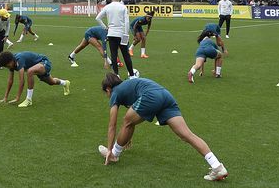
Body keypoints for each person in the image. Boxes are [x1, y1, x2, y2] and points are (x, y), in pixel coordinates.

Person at [98, 73, 228, 181]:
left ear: (108, 89)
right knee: (187, 135)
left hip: (151, 96)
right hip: (165, 95)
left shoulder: (115, 92)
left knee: (126, 121)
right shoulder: (128, 85)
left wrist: (109, 149)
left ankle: (114, 154)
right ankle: (217, 167)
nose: (107, 96)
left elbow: (112, 125)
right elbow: (134, 119)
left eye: (106, 93)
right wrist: (126, 136)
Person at [0, 51, 70, 107]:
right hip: (36, 67)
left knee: (30, 71)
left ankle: (29, 99)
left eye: (7, 65)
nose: (8, 67)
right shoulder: (12, 64)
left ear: (11, 61)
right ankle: (65, 83)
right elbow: (10, 81)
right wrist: (5, 98)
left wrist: (17, 98)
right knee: (52, 82)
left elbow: (22, 81)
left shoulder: (19, 59)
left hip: (44, 62)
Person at [95, 0, 136, 78]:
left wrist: (105, 27)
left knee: (113, 54)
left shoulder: (107, 7)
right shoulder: (123, 7)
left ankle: (116, 74)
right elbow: (127, 22)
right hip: (121, 34)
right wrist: (126, 34)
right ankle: (131, 75)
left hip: (111, 34)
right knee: (126, 55)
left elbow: (98, 18)